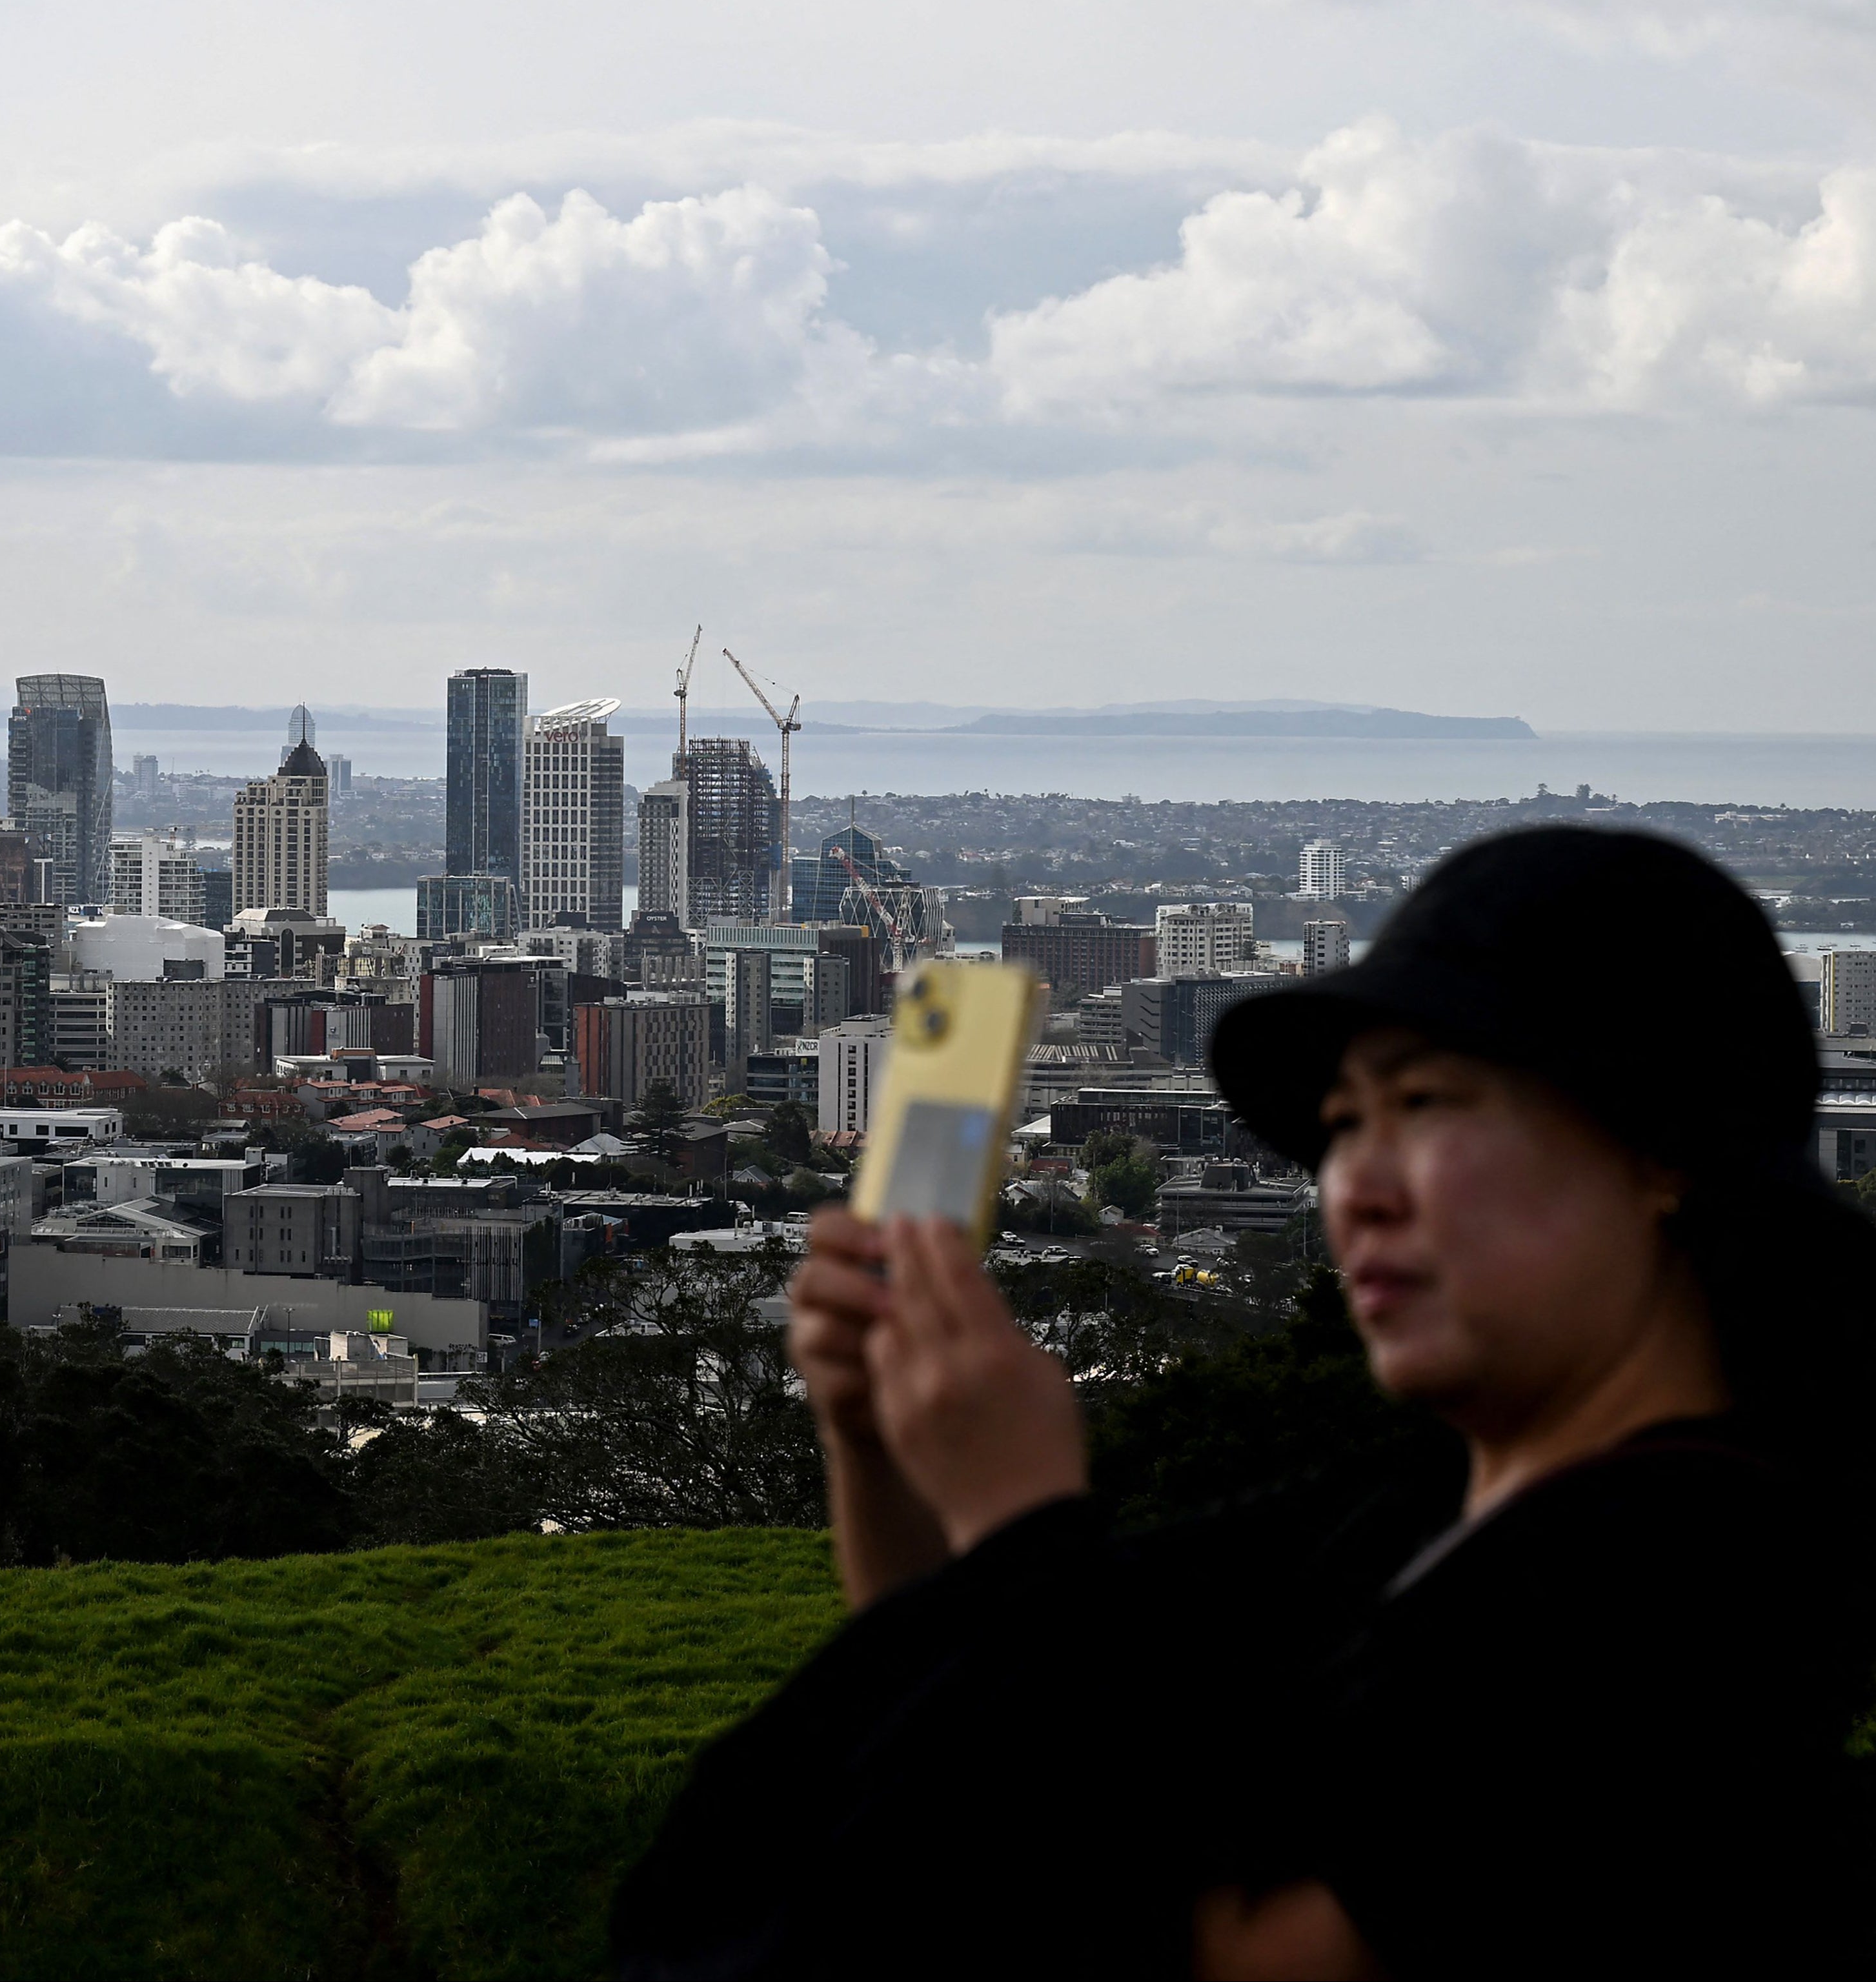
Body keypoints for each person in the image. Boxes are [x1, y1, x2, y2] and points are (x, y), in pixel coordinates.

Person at [611, 827, 1876, 1979]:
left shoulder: (1680, 1576)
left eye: (1422, 1106)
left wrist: (1021, 1517)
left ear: (1655, 1147)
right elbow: (963, 1694)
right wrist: (880, 1447)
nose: (1354, 1188)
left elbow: (1210, 1942)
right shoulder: (1398, 1512)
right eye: (1338, 1128)